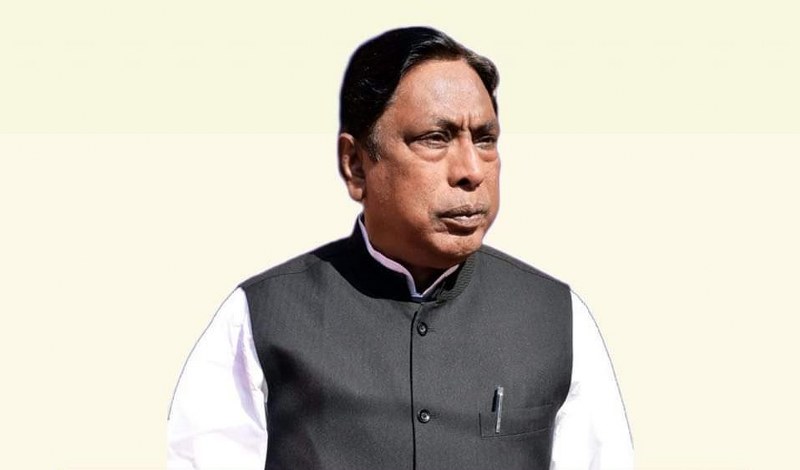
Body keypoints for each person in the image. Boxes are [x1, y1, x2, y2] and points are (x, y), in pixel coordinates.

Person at [167, 26, 633, 470]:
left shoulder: (555, 317)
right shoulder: (262, 317)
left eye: (485, 140)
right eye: (435, 138)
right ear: (356, 165)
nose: (471, 170)